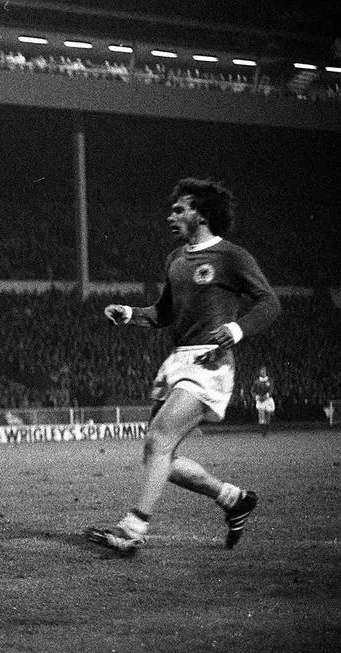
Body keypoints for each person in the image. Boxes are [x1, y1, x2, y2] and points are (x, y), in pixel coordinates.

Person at [87, 178, 281, 555]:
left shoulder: (232, 256)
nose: (171, 215)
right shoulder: (175, 260)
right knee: (159, 455)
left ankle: (133, 528)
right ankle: (233, 498)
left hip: (210, 361)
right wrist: (128, 313)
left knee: (159, 439)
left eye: (180, 209)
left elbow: (269, 303)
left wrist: (237, 329)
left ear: (202, 215)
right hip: (178, 360)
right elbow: (164, 313)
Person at [251, 365, 275, 437]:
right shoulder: (257, 381)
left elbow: (271, 389)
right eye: (262, 371)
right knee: (261, 415)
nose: (263, 372)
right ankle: (262, 431)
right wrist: (256, 396)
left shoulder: (269, 380)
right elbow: (252, 391)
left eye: (264, 370)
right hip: (260, 400)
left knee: (268, 414)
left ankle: (266, 429)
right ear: (260, 372)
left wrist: (267, 396)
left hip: (267, 399)